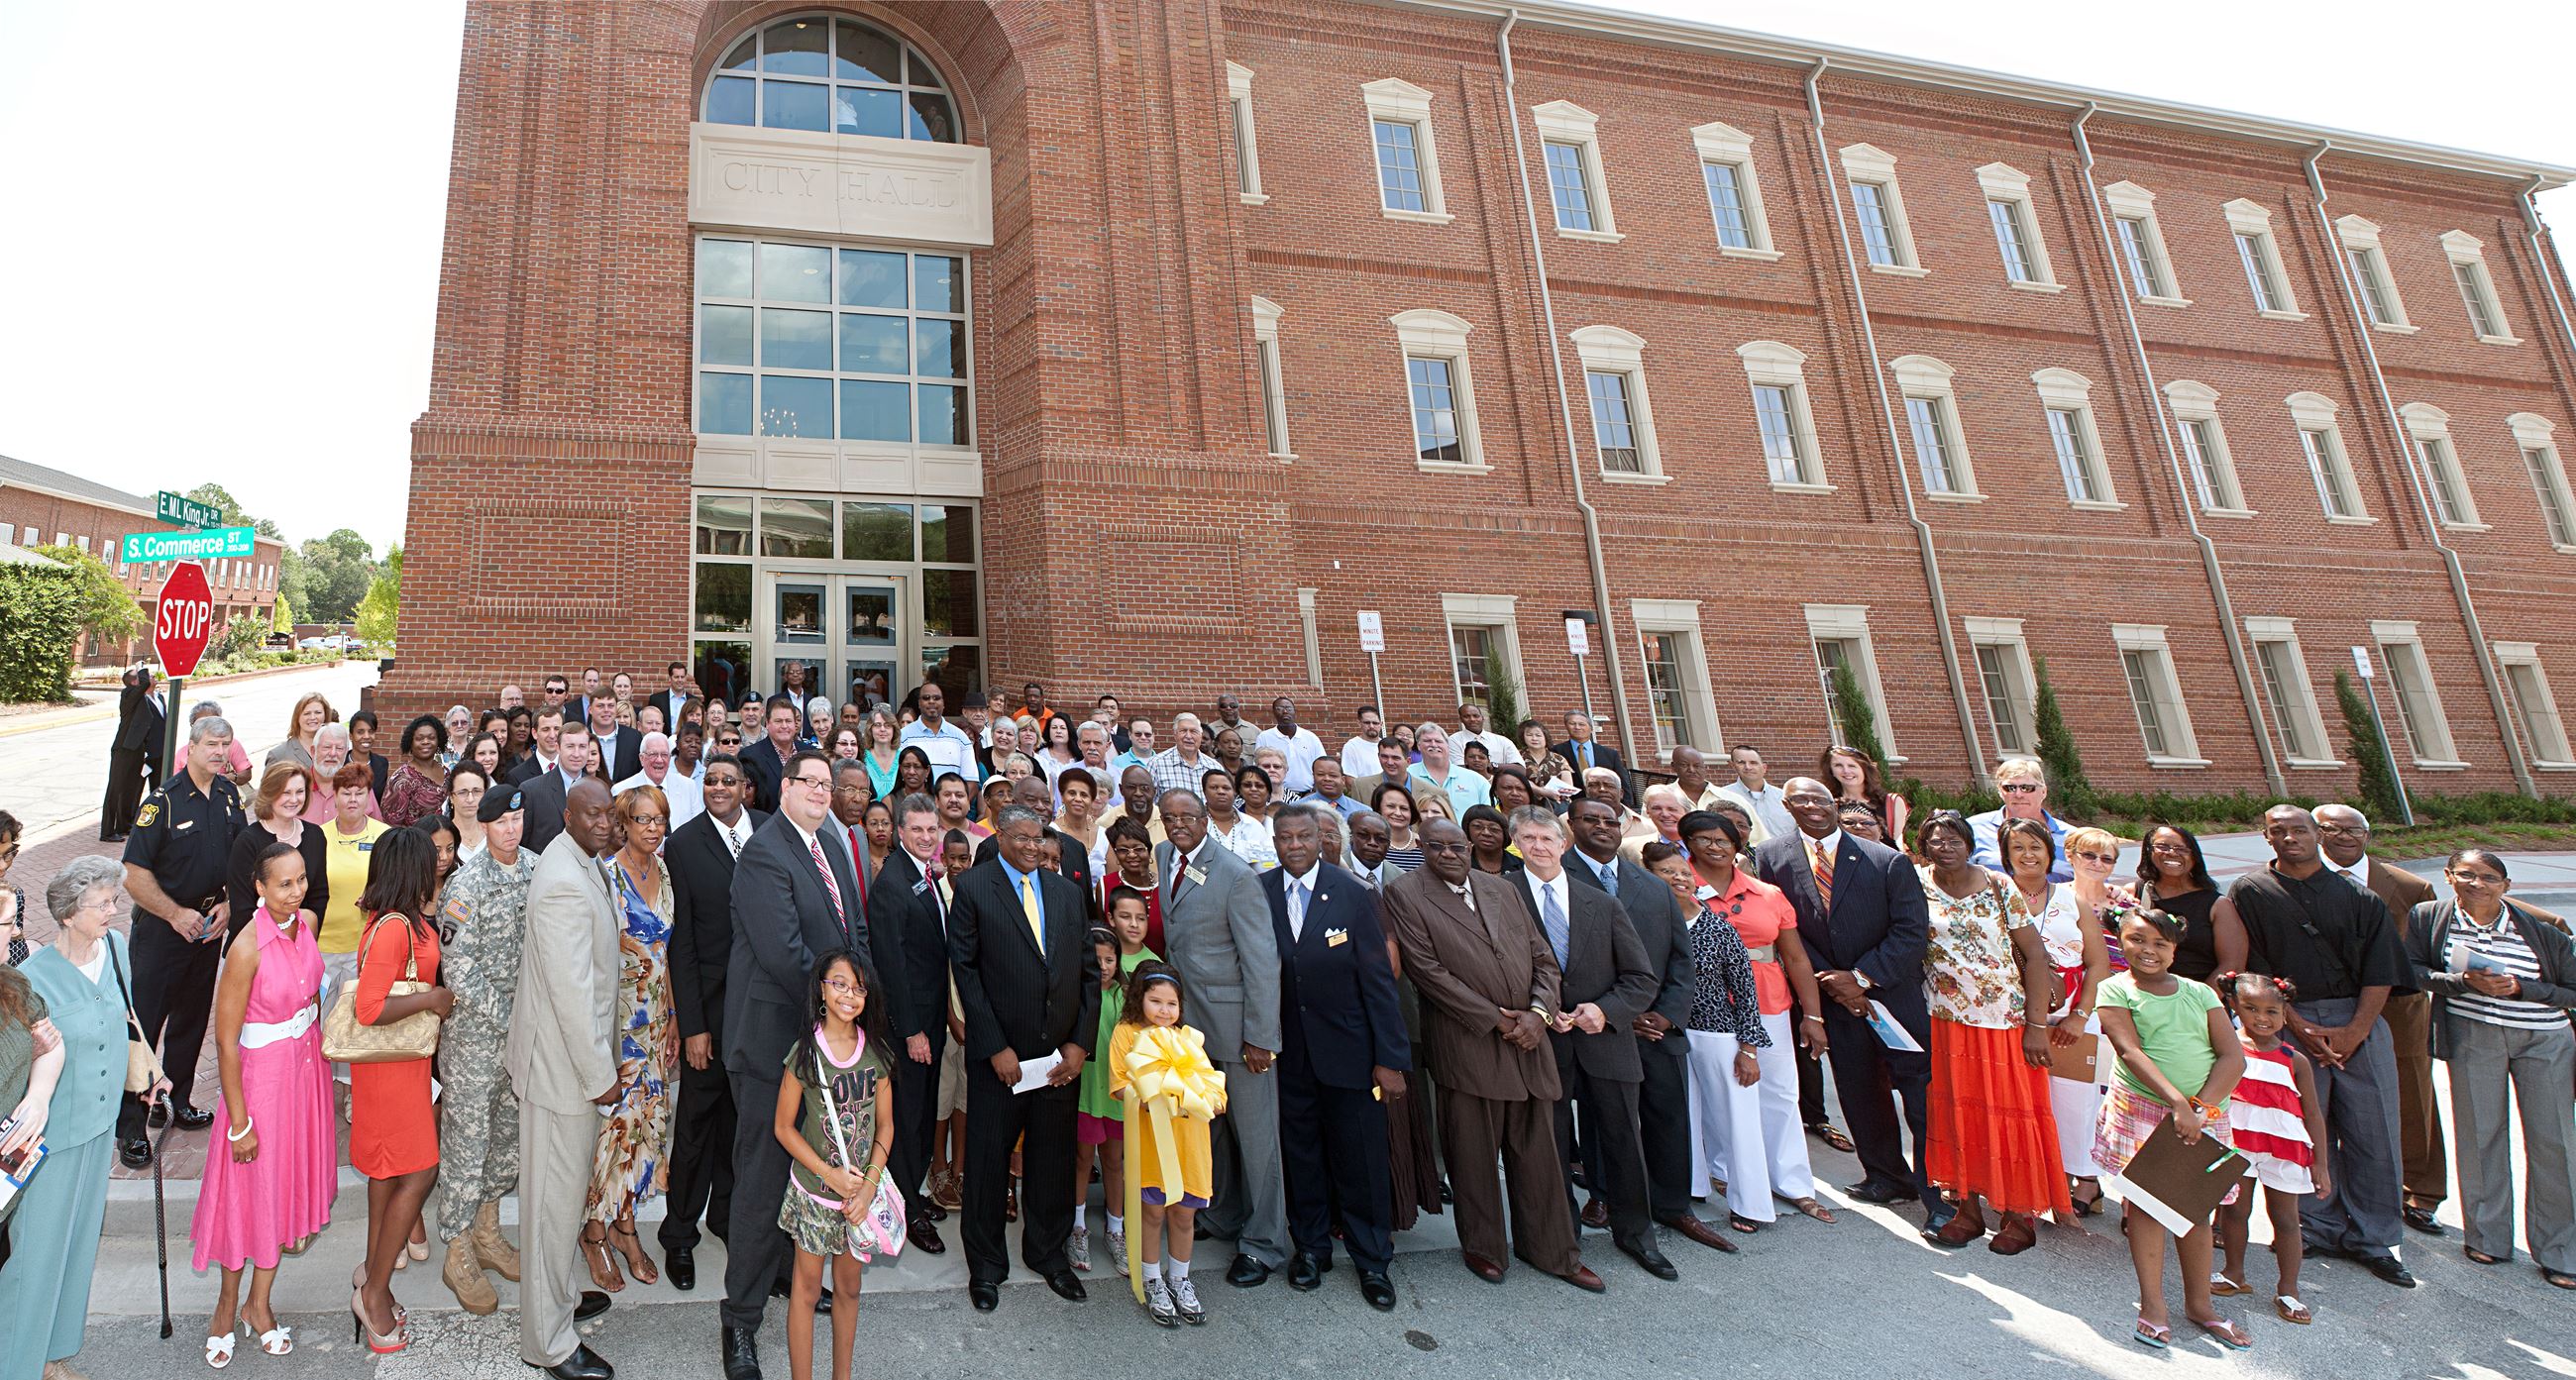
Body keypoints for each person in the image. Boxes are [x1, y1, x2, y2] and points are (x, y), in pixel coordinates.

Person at [1383, 820, 1601, 1291]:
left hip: (1529, 1041)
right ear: (1421, 848)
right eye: (1436, 846)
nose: (1448, 853)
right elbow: (1427, 972)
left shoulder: (1501, 886)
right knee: (1473, 1157)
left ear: (1471, 847)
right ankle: (1485, 1249)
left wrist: (1538, 1014)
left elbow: (1542, 957)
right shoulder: (1405, 893)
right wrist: (1499, 1020)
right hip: (1469, 1044)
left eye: (1455, 846)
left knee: (1541, 1157)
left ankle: (1552, 1251)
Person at [721, 752, 868, 1375]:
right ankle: (740, 1323)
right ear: (783, 788)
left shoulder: (830, 847)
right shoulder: (763, 852)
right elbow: (785, 953)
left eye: (827, 785)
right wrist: (838, 1006)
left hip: (828, 1043)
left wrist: (857, 1014)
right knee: (760, 1183)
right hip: (771, 1045)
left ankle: (789, 1276)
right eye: (808, 781)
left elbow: (853, 933)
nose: (819, 791)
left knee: (812, 1175)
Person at [2229, 804, 2416, 1288]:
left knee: (2373, 1131)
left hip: (2358, 1019)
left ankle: (2376, 1239)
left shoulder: (2357, 896)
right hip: (2288, 1021)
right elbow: (2255, 965)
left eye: (2299, 830)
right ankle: (2315, 1227)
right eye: (2278, 832)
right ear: (2266, 838)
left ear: (2318, 835)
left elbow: (2382, 970)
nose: (2290, 838)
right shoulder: (2252, 891)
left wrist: (2355, 1030)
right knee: (2303, 1132)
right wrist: (2297, 1024)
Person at [1753, 778, 1939, 1221]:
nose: (1813, 807)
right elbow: (1784, 929)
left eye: (1820, 799)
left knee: (1918, 1092)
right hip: (1831, 998)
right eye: (1802, 800)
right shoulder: (1772, 857)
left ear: (1833, 805)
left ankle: (1937, 1188)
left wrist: (1860, 978)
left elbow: (1911, 930)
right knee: (1858, 1090)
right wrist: (1832, 983)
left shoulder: (1886, 859)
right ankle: (1886, 1176)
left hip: (1892, 995)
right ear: (1787, 805)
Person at [2, 856, 155, 1380]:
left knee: (76, 1249)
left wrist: (149, 1072)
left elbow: (127, 1018)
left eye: (115, 900)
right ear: (68, 914)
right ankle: (15, 1365)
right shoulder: (29, 979)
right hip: (45, 1141)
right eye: (104, 904)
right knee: (34, 1259)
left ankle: (52, 1356)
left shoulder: (114, 949)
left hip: (96, 1129)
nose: (115, 911)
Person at [948, 805, 1099, 1314]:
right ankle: (986, 1267)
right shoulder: (973, 889)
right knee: (989, 1164)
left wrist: (1080, 1043)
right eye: (1022, 838)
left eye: (1039, 838)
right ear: (1001, 836)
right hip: (1001, 1062)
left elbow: (1087, 974)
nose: (1033, 847)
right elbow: (966, 972)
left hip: (1058, 1059)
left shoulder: (1065, 892)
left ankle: (1048, 1254)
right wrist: (994, 1046)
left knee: (1052, 1160)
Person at [2403, 848, 2576, 1288]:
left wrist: (2522, 988)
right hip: (2473, 1035)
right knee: (2480, 1134)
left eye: (2488, 877)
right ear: (2448, 876)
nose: (2476, 884)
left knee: (2553, 1140)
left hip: (2543, 1038)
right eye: (2466, 875)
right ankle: (2488, 1238)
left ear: (2506, 885)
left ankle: (2560, 1251)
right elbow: (2413, 970)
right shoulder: (2430, 917)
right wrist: (2463, 983)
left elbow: (2571, 989)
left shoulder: (2542, 926)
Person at [1511, 806, 1671, 1280]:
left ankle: (1637, 1236)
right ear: (1515, 843)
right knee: (1551, 1144)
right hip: (1541, 1045)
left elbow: (1641, 978)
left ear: (1563, 843)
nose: (1539, 846)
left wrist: (1605, 1010)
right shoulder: (1500, 897)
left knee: (1624, 1140)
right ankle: (1562, 1242)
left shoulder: (1601, 902)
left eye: (1547, 837)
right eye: (1528, 838)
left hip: (1605, 1040)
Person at [190, 842, 332, 1366]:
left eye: (300, 881)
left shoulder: (308, 924)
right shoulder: (245, 948)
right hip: (260, 1086)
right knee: (248, 1195)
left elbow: (311, 997)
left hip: (304, 1076)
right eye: (283, 884)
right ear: (259, 888)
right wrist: (239, 1123)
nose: (295, 893)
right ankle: (226, 1305)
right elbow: (225, 1042)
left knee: (284, 1190)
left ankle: (259, 1304)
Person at [1263, 805, 1408, 1309]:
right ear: (1275, 841)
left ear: (1324, 839)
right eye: (1286, 837)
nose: (1296, 845)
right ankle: (1310, 1248)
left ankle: (1373, 1259)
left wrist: (1390, 1058)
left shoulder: (1353, 893)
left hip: (1351, 1053)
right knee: (1302, 1155)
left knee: (1361, 1158)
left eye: (1305, 836)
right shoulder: (1260, 893)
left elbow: (1379, 983)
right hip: (1290, 1056)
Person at [2095, 907, 2251, 1350]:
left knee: (2196, 1209)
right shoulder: (2114, 989)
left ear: (2175, 949)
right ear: (2120, 941)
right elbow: (2128, 1050)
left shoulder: (2200, 993)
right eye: (2137, 940)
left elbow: (2232, 1058)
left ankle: (2200, 1306)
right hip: (2144, 1110)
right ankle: (2152, 1305)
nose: (2149, 950)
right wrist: (2178, 1103)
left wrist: (2198, 1108)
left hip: (2205, 1116)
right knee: (2145, 1207)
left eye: (2160, 943)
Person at [1665, 810, 1827, 1233]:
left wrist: (1812, 1015)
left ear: (1738, 844)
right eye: (1703, 839)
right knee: (1719, 1098)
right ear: (1688, 844)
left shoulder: (1767, 893)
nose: (1715, 846)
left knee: (1778, 1092)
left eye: (1723, 839)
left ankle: (1791, 1180)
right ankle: (1722, 1172)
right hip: (1706, 1010)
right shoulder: (1675, 888)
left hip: (1769, 1002)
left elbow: (1795, 956)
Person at [508, 779, 621, 1380]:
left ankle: (561, 1299)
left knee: (563, 1199)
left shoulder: (580, 861)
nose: (605, 823)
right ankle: (546, 1342)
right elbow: (572, 993)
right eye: (592, 815)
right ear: (568, 816)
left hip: (567, 1064)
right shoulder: (560, 881)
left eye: (610, 813)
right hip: (561, 1073)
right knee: (552, 1209)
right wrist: (600, 1074)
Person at [1151, 789, 1287, 1285]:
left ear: (1207, 818)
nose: (1178, 824)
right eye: (1170, 818)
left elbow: (1261, 961)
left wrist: (1261, 1037)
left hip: (1238, 1032)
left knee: (1256, 1142)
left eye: (1188, 816)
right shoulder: (1165, 855)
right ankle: (1223, 1215)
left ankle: (1265, 1242)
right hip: (1190, 1031)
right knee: (1211, 1134)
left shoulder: (1236, 875)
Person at [1913, 810, 2064, 1252]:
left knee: (2009, 1115)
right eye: (1936, 840)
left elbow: (2035, 957)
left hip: (2005, 1023)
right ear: (1925, 847)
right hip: (1945, 1021)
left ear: (1969, 843)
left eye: (1954, 838)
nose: (1946, 845)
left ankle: (2019, 1213)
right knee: (1960, 1116)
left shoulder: (2000, 886)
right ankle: (1968, 1208)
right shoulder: (1916, 885)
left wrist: (2037, 1026)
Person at [2311, 804, 2446, 1237]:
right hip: (2326, 1010)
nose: (2346, 836)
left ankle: (2422, 1192)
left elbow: (2425, 956)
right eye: (2334, 829)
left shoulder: (2410, 886)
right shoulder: (2301, 879)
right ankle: (2330, 1196)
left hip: (2398, 1013)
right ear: (2317, 833)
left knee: (2412, 1101)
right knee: (2327, 1106)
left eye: (2357, 829)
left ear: (2368, 835)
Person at [117, 714, 245, 1164]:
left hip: (208, 929)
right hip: (163, 929)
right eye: (211, 743)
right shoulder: (163, 801)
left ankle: (176, 1101)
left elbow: (240, 861)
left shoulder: (230, 796)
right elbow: (132, 873)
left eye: (225, 744)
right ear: (191, 746)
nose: (219, 751)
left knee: (191, 1022)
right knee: (146, 1027)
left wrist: (229, 905)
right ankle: (130, 1125)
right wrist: (174, 914)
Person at [348, 828, 452, 1357]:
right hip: (391, 1069)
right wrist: (432, 998)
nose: (436, 866)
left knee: (388, 1175)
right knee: (420, 1170)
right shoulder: (393, 929)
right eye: (427, 861)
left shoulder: (394, 919)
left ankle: (373, 1275)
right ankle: (374, 1293)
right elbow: (369, 1009)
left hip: (401, 1068)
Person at [660, 755, 762, 1292]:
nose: (720, 788)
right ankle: (679, 1234)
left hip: (763, 1017)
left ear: (745, 787)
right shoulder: (683, 845)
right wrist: (692, 1024)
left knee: (743, 1129)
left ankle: (726, 1217)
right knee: (697, 1130)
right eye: (711, 781)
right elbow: (684, 945)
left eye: (729, 780)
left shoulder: (770, 830)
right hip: (713, 1015)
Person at [431, 783, 534, 1315]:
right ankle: (457, 1248)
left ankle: (489, 1233)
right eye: (501, 822)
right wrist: (509, 1018)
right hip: (476, 1041)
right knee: (467, 1144)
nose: (511, 830)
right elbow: (458, 969)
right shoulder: (465, 885)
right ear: (486, 826)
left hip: (523, 1040)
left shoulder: (538, 871)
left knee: (507, 1140)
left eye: (517, 820)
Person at [773, 950, 894, 1380]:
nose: (849, 994)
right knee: (805, 1291)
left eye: (858, 987)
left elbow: (886, 1127)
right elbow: (783, 1128)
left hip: (858, 1200)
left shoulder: (875, 1052)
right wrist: (831, 1176)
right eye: (839, 983)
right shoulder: (805, 1053)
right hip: (814, 1194)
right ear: (821, 988)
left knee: (848, 1287)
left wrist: (868, 1185)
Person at [582, 787, 678, 1291]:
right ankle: (596, 1230)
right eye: (643, 820)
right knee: (614, 1131)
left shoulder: (663, 873)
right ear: (624, 823)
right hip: (618, 1026)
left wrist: (677, 1018)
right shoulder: (606, 876)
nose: (653, 828)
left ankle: (625, 1224)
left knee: (648, 1128)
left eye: (659, 819)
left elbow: (668, 951)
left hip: (658, 1021)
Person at [2002, 817, 2111, 1216]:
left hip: (2071, 1011)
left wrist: (2080, 1016)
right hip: (2014, 1015)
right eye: (2018, 848)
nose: (2028, 855)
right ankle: (2041, 1179)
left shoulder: (2072, 899)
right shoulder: (1997, 896)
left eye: (2036, 847)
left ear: (2050, 852)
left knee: (2076, 1102)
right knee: (2028, 1101)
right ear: (2006, 855)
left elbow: (2099, 964)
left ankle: (2086, 1182)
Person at [863, 792, 957, 1256]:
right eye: (916, 829)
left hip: (931, 1021)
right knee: (905, 1118)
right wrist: (913, 1030)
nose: (925, 837)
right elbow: (891, 967)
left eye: (930, 829)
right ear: (899, 832)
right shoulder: (892, 885)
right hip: (909, 1029)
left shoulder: (923, 875)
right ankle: (906, 1210)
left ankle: (911, 1193)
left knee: (921, 1116)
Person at [1111, 961, 1227, 1326]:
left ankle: (1180, 1278)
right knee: (1152, 1211)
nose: (1164, 1010)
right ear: (1139, 998)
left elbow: (1211, 1085)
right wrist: (1156, 1096)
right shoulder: (1127, 1034)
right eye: (1155, 1001)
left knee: (1184, 1213)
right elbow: (1119, 1086)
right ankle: (1152, 1280)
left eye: (1171, 1004)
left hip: (1190, 1142)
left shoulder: (1189, 1039)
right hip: (1151, 1141)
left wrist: (1212, 1101)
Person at [2211, 972, 2329, 1324]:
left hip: (2284, 1148)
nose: (2262, 1019)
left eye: (2271, 1012)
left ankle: (2289, 1290)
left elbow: (2313, 1113)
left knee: (2286, 1219)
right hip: (2238, 1143)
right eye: (2251, 1008)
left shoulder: (2296, 1060)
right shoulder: (2226, 1047)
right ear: (2233, 1005)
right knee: (2234, 1210)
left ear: (2285, 1013)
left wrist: (2320, 1164)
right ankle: (2234, 1273)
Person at [1075, 901, 1155, 1274]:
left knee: (1113, 1160)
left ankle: (1115, 1227)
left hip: (1116, 1095)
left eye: (1109, 960)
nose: (1102, 967)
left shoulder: (1126, 998)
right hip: (1084, 1093)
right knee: (1080, 1159)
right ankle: (1077, 1228)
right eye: (1095, 959)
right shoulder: (1075, 994)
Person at [228, 763, 330, 950]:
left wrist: (303, 940)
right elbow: (242, 907)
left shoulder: (315, 836)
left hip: (302, 945)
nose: (293, 799)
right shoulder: (248, 841)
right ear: (270, 793)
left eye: (299, 791)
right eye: (285, 792)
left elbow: (319, 895)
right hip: (256, 950)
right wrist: (276, 948)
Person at [2137, 824, 2248, 984]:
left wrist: (2197, 1003)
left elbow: (2232, 965)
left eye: (2182, 849)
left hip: (2201, 999)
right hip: (2142, 996)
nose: (2172, 853)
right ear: (2149, 851)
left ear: (2194, 856)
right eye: (2162, 846)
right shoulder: (2137, 892)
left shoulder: (2217, 905)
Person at [1967, 759, 2073, 882]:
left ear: (2043, 792)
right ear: (2000, 791)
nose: (2018, 794)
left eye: (2027, 788)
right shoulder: (1974, 829)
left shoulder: (2071, 837)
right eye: (2010, 788)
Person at [101, 667, 164, 841]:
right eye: (142, 677)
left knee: (129, 790)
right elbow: (144, 683)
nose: (149, 677)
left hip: (138, 750)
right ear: (134, 682)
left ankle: (124, 826)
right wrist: (141, 667)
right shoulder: (128, 695)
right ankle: (107, 831)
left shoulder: (147, 698)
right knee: (116, 789)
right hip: (124, 749)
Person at [519, 721, 598, 856]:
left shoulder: (598, 789)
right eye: (570, 746)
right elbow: (522, 844)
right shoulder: (531, 790)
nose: (577, 754)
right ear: (558, 748)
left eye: (582, 747)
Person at [1819, 745, 1906, 847]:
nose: (1846, 771)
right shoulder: (1828, 804)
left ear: (1864, 769)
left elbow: (1899, 844)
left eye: (1852, 766)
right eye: (1838, 765)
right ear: (1831, 771)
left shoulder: (1891, 802)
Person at [617, 731, 705, 832]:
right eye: (653, 754)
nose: (659, 760)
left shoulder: (688, 786)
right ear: (642, 759)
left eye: (664, 755)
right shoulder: (622, 790)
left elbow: (698, 828)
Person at [381, 715, 451, 828]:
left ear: (439, 741)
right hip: (415, 843)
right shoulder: (402, 779)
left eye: (431, 737)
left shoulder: (447, 773)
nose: (426, 742)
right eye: (419, 738)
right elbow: (391, 824)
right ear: (410, 743)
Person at [1408, 724, 1491, 817]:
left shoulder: (1476, 780)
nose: (1434, 744)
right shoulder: (1407, 775)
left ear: (1447, 745)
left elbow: (1490, 816)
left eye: (1438, 741)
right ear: (1418, 746)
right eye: (1427, 741)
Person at [1201, 768, 1276, 872]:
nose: (1221, 792)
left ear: (1235, 792)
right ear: (1204, 791)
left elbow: (1267, 866)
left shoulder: (1253, 826)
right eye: (1214, 787)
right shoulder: (1196, 825)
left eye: (1226, 788)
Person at [1251, 697, 1327, 797]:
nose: (1285, 711)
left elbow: (1322, 766)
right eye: (1280, 708)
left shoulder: (1310, 737)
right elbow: (1258, 768)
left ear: (1295, 712)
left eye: (1289, 708)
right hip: (1277, 794)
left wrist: (1314, 791)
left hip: (1309, 794)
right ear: (1273, 712)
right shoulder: (1265, 737)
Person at [1552, 711, 1627, 805]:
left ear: (1590, 728)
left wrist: (1628, 807)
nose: (1577, 727)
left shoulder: (1610, 754)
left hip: (1605, 805)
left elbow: (1623, 783)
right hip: (1573, 805)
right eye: (1572, 724)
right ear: (1566, 726)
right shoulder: (1556, 752)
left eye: (1581, 724)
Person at [267, 691, 334, 773]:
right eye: (307, 713)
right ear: (297, 717)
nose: (312, 717)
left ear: (325, 716)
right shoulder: (279, 755)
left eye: (318, 712)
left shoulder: (336, 748)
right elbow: (268, 785)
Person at [1371, 784, 1424, 874]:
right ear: (1379, 809)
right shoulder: (1371, 845)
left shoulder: (1424, 844)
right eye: (1391, 806)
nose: (1398, 813)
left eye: (1404, 808)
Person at [449, 764, 492, 859]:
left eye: (477, 791)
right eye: (462, 792)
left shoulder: (494, 833)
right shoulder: (443, 835)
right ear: (451, 797)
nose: (470, 799)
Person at [1462, 804, 1519, 878]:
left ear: (1505, 834)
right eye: (1478, 827)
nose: (1486, 833)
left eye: (1493, 829)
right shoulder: (1460, 864)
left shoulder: (1522, 866)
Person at [1339, 705, 1389, 781]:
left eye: (1375, 723)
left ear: (1381, 724)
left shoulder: (1387, 745)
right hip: (1365, 791)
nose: (1371, 726)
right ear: (1359, 723)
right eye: (1367, 723)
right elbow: (1350, 780)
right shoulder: (1352, 746)